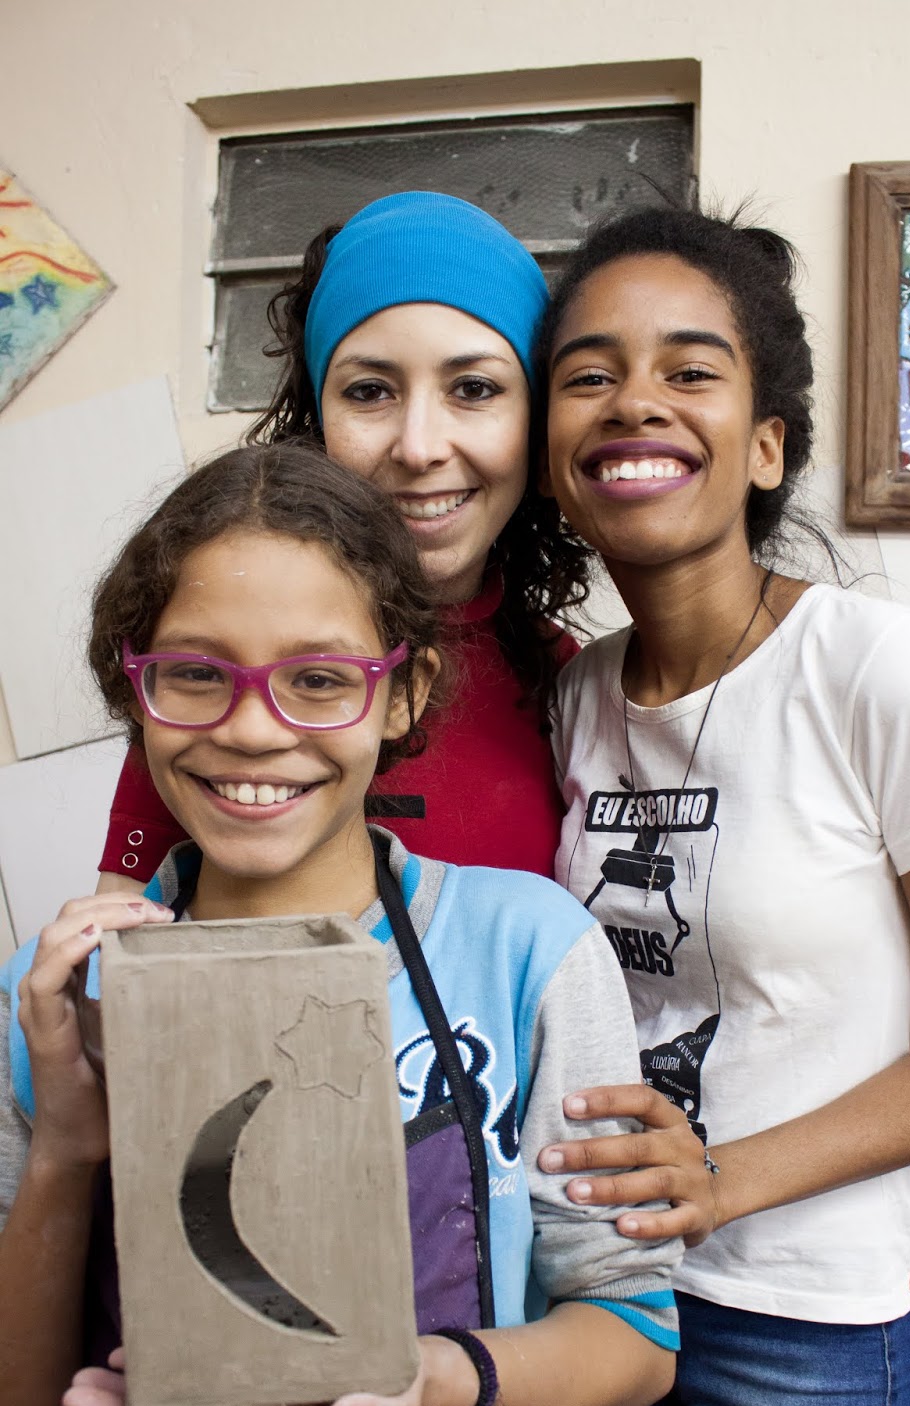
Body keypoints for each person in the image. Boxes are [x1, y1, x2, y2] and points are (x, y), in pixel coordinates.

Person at [0, 443, 680, 1406]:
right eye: (194, 673)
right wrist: (69, 1146)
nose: (253, 728)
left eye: (319, 678)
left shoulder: (522, 950)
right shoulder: (58, 996)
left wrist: (430, 1377)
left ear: (402, 693)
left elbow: (634, 1335)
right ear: (134, 687)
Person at [535, 206, 910, 1406]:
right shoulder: (572, 695)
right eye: (588, 375)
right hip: (615, 1290)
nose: (634, 399)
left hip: (811, 1318)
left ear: (764, 446)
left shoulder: (881, 669)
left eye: (689, 370)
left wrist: (727, 1178)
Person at [97, 191, 589, 886]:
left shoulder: (571, 686)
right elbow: (132, 922)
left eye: (474, 389)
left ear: (538, 427)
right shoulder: (220, 666)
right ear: (317, 422)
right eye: (369, 391)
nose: (418, 447)